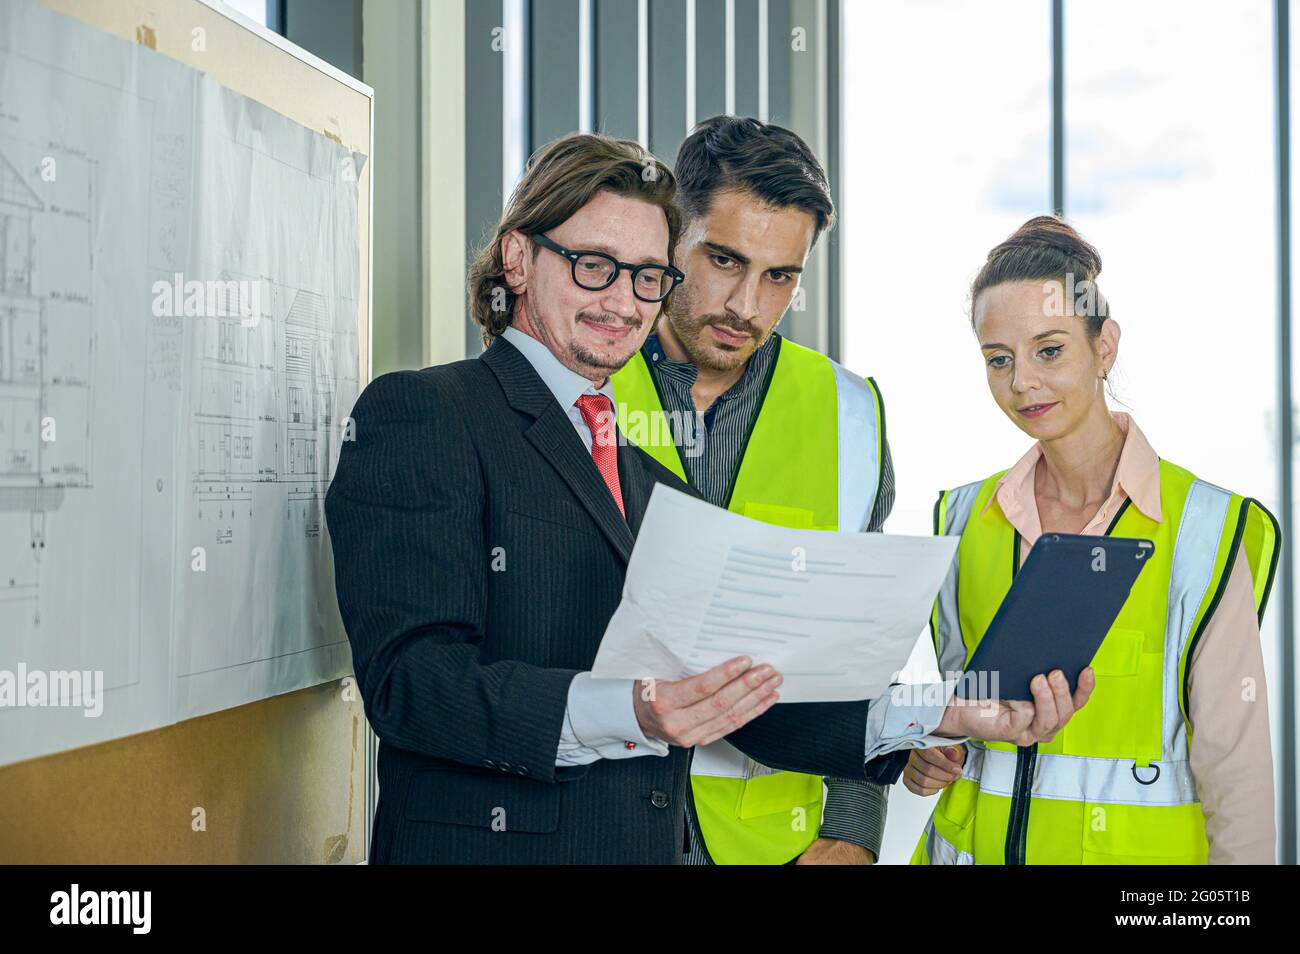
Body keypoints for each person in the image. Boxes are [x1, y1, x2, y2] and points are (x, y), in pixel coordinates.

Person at [325, 132, 1090, 864]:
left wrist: (944, 713)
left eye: (646, 278)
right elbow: (409, 684)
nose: (623, 302)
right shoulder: (424, 413)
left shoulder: (633, 467)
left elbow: (744, 692)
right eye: (594, 266)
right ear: (519, 258)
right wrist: (632, 710)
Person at [907, 215, 1280, 865]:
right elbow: (960, 708)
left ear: (1104, 346)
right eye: (999, 360)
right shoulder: (962, 518)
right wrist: (927, 749)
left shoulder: (1203, 528)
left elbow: (1236, 771)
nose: (1022, 382)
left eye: (1049, 350)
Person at [614, 116, 894, 865]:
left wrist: (852, 831)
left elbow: (862, 639)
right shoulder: (582, 378)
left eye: (780, 277)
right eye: (724, 260)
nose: (745, 305)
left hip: (773, 838)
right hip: (594, 821)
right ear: (673, 233)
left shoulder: (850, 415)